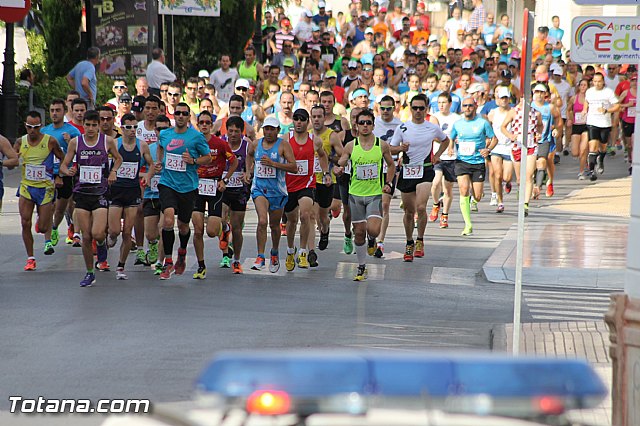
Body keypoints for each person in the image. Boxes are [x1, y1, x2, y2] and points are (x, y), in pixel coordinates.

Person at [59, 110, 123, 287]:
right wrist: (68, 171)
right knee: (86, 237)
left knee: (97, 233)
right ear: (83, 125)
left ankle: (101, 243)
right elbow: (64, 165)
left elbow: (118, 159)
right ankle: (89, 272)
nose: (91, 128)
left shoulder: (107, 141)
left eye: (94, 125)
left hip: (100, 192)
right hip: (81, 193)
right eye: (88, 125)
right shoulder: (75, 142)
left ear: (99, 126)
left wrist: (113, 172)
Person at [335, 109, 395, 281]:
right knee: (359, 232)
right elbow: (341, 162)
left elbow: (391, 165)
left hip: (374, 194)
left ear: (373, 125)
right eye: (362, 123)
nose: (365, 126)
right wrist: (338, 169)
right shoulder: (351, 146)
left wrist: (388, 183)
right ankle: (361, 267)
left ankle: (373, 240)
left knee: (373, 230)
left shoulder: (381, 145)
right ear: (356, 125)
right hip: (355, 195)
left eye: (368, 122)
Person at [153, 103, 212, 280]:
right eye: (177, 113)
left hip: (188, 187)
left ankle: (182, 251)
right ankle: (168, 261)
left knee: (184, 226)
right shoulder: (165, 134)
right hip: (167, 183)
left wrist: (193, 160)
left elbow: (208, 157)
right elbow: (160, 146)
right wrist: (160, 161)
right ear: (173, 115)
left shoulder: (196, 137)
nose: (180, 116)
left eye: (184, 113)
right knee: (168, 220)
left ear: (188, 117)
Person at [390, 94, 450, 261]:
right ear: (410, 108)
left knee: (421, 207)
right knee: (409, 211)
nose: (417, 111)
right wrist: (401, 148)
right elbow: (391, 148)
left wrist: (437, 155)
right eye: (414, 108)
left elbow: (446, 140)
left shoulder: (432, 127)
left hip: (425, 170)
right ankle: (409, 242)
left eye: (421, 108)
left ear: (426, 109)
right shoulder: (402, 128)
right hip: (407, 171)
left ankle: (420, 241)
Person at [246, 116, 298, 272]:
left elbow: (294, 167)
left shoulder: (283, 146)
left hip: (277, 191)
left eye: (272, 129)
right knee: (262, 221)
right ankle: (260, 256)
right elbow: (249, 155)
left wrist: (273, 164)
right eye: (266, 129)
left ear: (278, 130)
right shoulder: (256, 144)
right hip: (259, 188)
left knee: (274, 226)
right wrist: (249, 171)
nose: (269, 132)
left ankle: (274, 252)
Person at [191, 110, 238, 280]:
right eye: (201, 122)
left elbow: (234, 162)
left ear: (211, 125)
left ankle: (224, 229)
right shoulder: (192, 142)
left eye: (207, 123)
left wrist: (224, 180)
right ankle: (201, 265)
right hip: (196, 186)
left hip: (214, 187)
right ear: (198, 124)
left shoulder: (220, 144)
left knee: (211, 231)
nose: (204, 125)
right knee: (197, 230)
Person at [107, 113, 154, 280]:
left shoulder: (142, 146)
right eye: (128, 127)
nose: (132, 130)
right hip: (116, 191)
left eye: (135, 127)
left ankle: (120, 266)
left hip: (132, 191)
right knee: (114, 230)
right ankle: (110, 236)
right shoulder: (114, 143)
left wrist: (148, 176)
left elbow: (151, 164)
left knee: (127, 233)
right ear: (122, 128)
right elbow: (104, 161)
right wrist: (110, 174)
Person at [17, 111, 65, 270]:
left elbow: (63, 158)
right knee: (25, 222)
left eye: (36, 127)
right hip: (27, 187)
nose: (32, 130)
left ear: (41, 126)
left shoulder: (50, 141)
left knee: (44, 228)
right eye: (29, 127)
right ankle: (30, 258)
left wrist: (59, 176)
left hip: (45, 188)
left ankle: (42, 222)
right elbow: (11, 158)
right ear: (25, 125)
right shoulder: (20, 142)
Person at [284, 108, 331, 271]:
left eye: (302, 119)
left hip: (307, 184)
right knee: (291, 221)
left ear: (307, 121)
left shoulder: (315, 140)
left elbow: (323, 155)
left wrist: (326, 173)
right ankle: (291, 250)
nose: (298, 122)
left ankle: (303, 251)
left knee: (305, 215)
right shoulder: (286, 139)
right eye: (296, 118)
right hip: (289, 185)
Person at [450, 97, 497, 236]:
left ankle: (474, 199)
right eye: (465, 105)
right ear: (462, 108)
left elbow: (494, 138)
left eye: (470, 105)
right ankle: (468, 224)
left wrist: (488, 150)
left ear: (475, 106)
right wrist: (451, 147)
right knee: (463, 189)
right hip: (462, 161)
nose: (467, 108)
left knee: (477, 196)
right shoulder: (458, 124)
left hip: (478, 162)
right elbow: (451, 138)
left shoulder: (483, 123)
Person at [41, 98, 82, 247]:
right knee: (48, 205)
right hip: (48, 174)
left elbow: (81, 150)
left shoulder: (72, 131)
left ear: (64, 112)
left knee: (60, 208)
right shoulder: (44, 131)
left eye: (58, 110)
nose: (54, 114)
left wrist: (70, 140)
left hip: (65, 173)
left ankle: (54, 227)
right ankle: (48, 231)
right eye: (52, 110)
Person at [220, 117, 252, 273]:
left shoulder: (247, 146)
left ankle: (237, 260)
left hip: (239, 190)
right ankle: (225, 229)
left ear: (242, 132)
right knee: (220, 217)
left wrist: (247, 173)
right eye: (230, 131)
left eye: (236, 131)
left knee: (238, 228)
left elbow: (250, 166)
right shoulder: (221, 143)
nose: (233, 134)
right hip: (223, 188)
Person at [372, 95, 401, 257]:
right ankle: (371, 234)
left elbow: (405, 146)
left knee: (384, 205)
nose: (385, 111)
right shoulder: (372, 123)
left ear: (394, 108)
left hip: (390, 168)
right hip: (372, 168)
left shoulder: (400, 125)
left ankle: (380, 242)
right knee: (370, 203)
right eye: (382, 108)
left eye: (388, 108)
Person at [141, 115, 171, 275]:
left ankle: (161, 261)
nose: (162, 132)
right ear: (155, 130)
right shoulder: (148, 148)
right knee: (150, 233)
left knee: (163, 227)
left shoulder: (175, 148)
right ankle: (153, 245)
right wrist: (149, 174)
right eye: (159, 129)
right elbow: (137, 171)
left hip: (168, 193)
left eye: (166, 128)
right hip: (151, 194)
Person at [429, 92, 460, 228]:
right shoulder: (434, 117)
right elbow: (432, 135)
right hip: (438, 155)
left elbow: (461, 134)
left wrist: (456, 140)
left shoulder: (457, 118)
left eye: (444, 102)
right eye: (439, 102)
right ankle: (436, 204)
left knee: (447, 189)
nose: (441, 105)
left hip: (452, 156)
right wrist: (445, 141)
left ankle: (445, 215)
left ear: (450, 103)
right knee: (435, 182)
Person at [584, 73, 619, 181]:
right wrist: (584, 109)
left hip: (604, 123)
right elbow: (586, 101)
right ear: (592, 82)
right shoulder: (589, 91)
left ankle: (601, 160)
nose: (597, 83)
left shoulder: (608, 92)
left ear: (603, 81)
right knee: (593, 147)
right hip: (592, 122)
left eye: (599, 81)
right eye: (595, 81)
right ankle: (591, 171)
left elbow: (617, 105)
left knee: (603, 147)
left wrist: (607, 110)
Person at [486, 86, 514, 213]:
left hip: (509, 147)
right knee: (497, 174)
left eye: (505, 98)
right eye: (501, 98)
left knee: (506, 177)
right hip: (496, 146)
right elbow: (488, 128)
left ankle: (508, 183)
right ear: (497, 99)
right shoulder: (493, 113)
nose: (503, 100)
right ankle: (500, 201)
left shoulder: (513, 111)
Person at [567, 79, 590, 179]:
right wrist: (569, 119)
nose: (583, 87)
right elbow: (568, 110)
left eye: (585, 85)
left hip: (587, 125)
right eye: (581, 85)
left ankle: (581, 172)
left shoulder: (590, 99)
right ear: (579, 86)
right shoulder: (574, 98)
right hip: (576, 125)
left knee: (583, 150)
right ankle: (586, 161)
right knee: (575, 152)